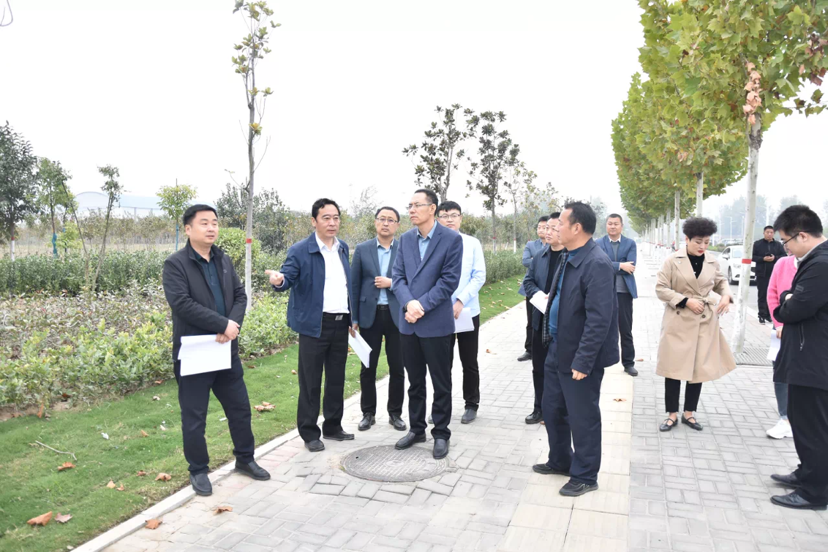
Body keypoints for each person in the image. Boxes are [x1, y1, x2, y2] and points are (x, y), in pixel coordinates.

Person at [162, 205, 270, 497]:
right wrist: (222, 324)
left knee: (240, 408)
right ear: (188, 229)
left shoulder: (223, 259)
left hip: (225, 350)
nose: (211, 228)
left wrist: (231, 325)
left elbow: (240, 295)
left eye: (214, 223)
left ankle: (245, 458)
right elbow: (182, 303)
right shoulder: (175, 264)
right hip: (195, 351)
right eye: (204, 223)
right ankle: (198, 470)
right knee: (194, 416)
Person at [533, 202, 619, 497]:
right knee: (552, 409)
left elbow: (599, 319)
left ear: (577, 228)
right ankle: (560, 460)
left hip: (580, 356)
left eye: (560, 223)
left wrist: (583, 361)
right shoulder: (569, 255)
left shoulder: (596, 263)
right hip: (558, 347)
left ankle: (585, 475)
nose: (555, 228)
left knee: (583, 417)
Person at [267, 198, 355, 453]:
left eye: (336, 218)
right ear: (314, 221)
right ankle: (309, 433)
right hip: (314, 325)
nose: (332, 222)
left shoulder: (342, 248)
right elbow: (287, 278)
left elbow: (346, 285)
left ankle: (333, 426)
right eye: (326, 218)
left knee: (336, 379)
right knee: (310, 382)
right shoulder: (300, 250)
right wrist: (279, 281)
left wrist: (352, 317)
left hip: (341, 323)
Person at [392, 188, 462, 460]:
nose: (411, 210)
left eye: (417, 205)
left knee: (441, 382)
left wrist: (420, 306)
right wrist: (408, 303)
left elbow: (448, 281)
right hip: (408, 323)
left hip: (435, 323)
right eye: (409, 205)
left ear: (432, 208)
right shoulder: (406, 239)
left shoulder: (451, 239)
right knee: (415, 381)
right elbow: (398, 277)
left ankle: (441, 433)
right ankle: (417, 429)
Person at [769, 205, 828, 511]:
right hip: (808, 356)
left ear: (802, 235)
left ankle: (814, 492)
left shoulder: (821, 264)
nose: (786, 248)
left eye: (786, 241)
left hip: (814, 360)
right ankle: (807, 472)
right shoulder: (816, 260)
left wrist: (787, 300)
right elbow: (791, 300)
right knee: (803, 421)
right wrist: (789, 298)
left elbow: (792, 308)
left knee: (812, 426)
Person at [655, 217, 734, 433]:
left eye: (706, 242)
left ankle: (689, 412)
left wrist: (726, 295)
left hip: (704, 321)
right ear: (687, 239)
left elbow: (721, 282)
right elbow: (661, 288)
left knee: (698, 369)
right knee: (673, 368)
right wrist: (686, 301)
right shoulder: (672, 260)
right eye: (698, 241)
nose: (702, 246)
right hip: (678, 320)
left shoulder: (711, 261)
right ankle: (671, 414)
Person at [350, 207, 407, 433]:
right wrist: (354, 317)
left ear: (397, 225)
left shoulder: (404, 249)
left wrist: (391, 283)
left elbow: (410, 280)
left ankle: (395, 413)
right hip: (369, 316)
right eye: (382, 219)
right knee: (368, 366)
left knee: (397, 367)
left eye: (390, 220)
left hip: (397, 315)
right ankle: (368, 413)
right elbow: (354, 285)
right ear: (375, 223)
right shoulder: (362, 249)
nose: (386, 223)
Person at [436, 200, 486, 424]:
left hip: (467, 311)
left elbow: (479, 275)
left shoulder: (472, 243)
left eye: (454, 215)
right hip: (439, 312)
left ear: (461, 218)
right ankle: (441, 407)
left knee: (469, 361)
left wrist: (460, 300)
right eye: (445, 216)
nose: (449, 220)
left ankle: (471, 404)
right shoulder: (433, 244)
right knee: (441, 363)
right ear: (438, 218)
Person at [521, 212, 564, 424]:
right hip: (540, 320)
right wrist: (539, 295)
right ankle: (539, 408)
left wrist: (554, 299)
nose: (548, 232)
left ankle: (557, 411)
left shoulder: (570, 258)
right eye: (546, 228)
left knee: (559, 370)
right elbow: (527, 282)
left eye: (553, 228)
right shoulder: (539, 256)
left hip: (561, 324)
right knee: (539, 367)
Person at [597, 213, 639, 377]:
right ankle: (598, 360)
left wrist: (611, 265)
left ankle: (628, 363)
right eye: (610, 223)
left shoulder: (630, 243)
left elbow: (631, 267)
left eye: (616, 224)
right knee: (600, 328)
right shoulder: (598, 243)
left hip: (623, 292)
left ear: (621, 226)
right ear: (606, 225)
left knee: (625, 329)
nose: (612, 226)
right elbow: (598, 265)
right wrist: (621, 265)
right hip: (603, 292)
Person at [765, 243, 797, 440]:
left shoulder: (818, 265)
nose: (786, 245)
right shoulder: (782, 264)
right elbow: (772, 294)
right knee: (780, 371)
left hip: (808, 331)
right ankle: (784, 418)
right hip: (781, 329)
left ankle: (799, 419)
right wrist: (778, 324)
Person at [517, 216, 550, 362]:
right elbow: (525, 261)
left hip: (548, 289)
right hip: (532, 289)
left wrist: (535, 260)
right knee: (531, 320)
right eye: (539, 227)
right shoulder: (531, 245)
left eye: (545, 227)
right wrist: (540, 260)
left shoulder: (555, 245)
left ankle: (546, 347)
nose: (541, 230)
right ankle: (529, 349)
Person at [752, 226, 786, 324]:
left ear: (774, 233)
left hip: (775, 275)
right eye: (767, 232)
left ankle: (769, 315)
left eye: (771, 232)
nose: (769, 234)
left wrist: (775, 258)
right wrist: (763, 259)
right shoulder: (757, 244)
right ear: (764, 233)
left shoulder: (778, 245)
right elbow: (752, 257)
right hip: (762, 274)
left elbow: (784, 256)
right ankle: (762, 315)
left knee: (773, 295)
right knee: (762, 295)